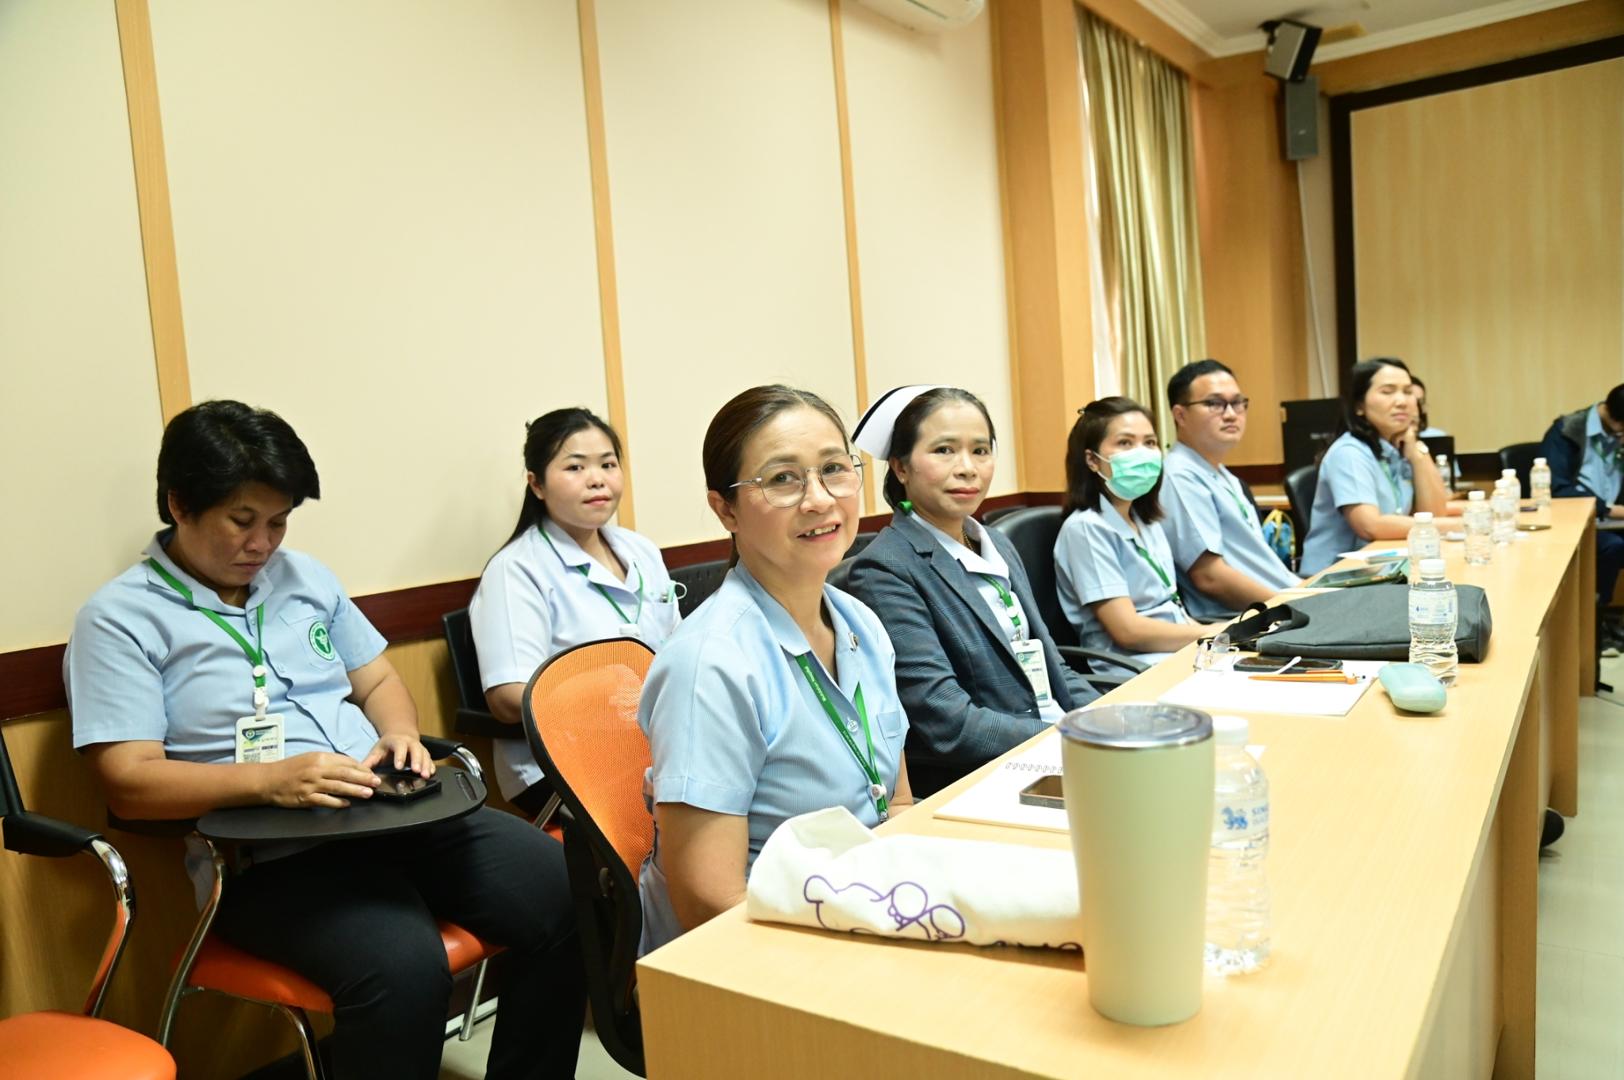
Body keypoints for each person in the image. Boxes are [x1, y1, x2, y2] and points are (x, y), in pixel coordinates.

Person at [64, 401, 585, 1080]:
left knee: (570, 889)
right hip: (272, 860)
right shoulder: (118, 620)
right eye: (242, 521)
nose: (263, 544)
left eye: (278, 522)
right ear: (179, 504)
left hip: (394, 814)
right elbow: (130, 783)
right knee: (402, 967)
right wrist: (271, 781)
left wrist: (399, 734)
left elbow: (378, 681)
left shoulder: (305, 579)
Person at [638, 385, 913, 953]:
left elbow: (898, 803)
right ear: (725, 509)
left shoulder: (861, 623)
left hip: (869, 906)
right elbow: (709, 901)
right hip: (769, 950)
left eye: (834, 469)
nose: (819, 499)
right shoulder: (711, 664)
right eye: (783, 479)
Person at [844, 385, 1098, 797]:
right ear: (901, 467)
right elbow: (948, 721)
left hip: (1059, 745)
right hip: (995, 773)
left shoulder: (997, 543)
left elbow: (1054, 667)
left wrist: (1106, 718)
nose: (967, 468)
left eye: (980, 450)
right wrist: (1070, 738)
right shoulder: (886, 568)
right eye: (944, 450)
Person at [470, 408, 681, 814]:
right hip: (564, 765)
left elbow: (677, 647)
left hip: (654, 739)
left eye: (608, 464)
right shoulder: (517, 569)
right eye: (575, 467)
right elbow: (507, 697)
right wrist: (603, 693)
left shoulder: (641, 550)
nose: (597, 479)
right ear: (537, 484)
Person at [1055, 396, 1211, 669]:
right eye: (1125, 443)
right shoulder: (1086, 529)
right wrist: (1213, 633)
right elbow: (1128, 631)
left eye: (1149, 443)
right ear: (1092, 460)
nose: (1142, 453)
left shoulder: (1145, 520)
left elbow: (1170, 606)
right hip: (1134, 668)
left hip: (1180, 653)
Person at [1160, 359, 1301, 619]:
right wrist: (1293, 608)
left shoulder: (1223, 475)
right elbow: (1209, 576)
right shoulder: (1179, 477)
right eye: (1214, 403)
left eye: (1237, 403)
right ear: (1180, 415)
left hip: (1282, 600)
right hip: (1248, 619)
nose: (1230, 414)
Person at [1298, 358, 1455, 576]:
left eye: (1408, 392)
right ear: (1359, 406)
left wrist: (1417, 452)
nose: (1402, 401)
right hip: (1335, 578)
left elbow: (1434, 513)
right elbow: (1369, 525)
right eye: (1388, 392)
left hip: (1381, 569)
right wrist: (1459, 526)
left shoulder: (1395, 449)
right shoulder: (1350, 452)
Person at [1538, 383, 1624, 644]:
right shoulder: (1567, 431)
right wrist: (1610, 510)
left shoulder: (1619, 434)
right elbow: (1558, 488)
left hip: (1615, 518)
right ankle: (1596, 615)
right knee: (1612, 547)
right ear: (1613, 417)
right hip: (1581, 522)